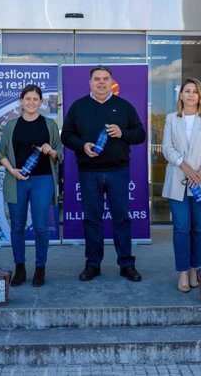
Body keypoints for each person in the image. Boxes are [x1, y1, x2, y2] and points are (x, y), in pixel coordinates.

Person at [61, 66, 146, 282]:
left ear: (111, 82)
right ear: (90, 83)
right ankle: (92, 265)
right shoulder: (78, 107)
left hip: (118, 171)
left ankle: (126, 265)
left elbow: (140, 135)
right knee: (91, 220)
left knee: (121, 219)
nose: (101, 83)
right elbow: (66, 136)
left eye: (105, 79)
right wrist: (82, 145)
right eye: (96, 79)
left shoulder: (124, 106)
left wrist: (123, 133)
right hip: (89, 173)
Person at [0, 84, 62, 287]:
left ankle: (40, 268)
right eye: (28, 99)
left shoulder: (50, 125)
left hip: (43, 180)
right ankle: (20, 268)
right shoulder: (11, 126)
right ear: (21, 101)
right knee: (17, 225)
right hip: (17, 179)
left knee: (41, 225)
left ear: (41, 102)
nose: (32, 102)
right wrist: (12, 170)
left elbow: (59, 152)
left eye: (35, 99)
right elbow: (2, 154)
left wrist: (51, 151)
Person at [161, 77, 201, 293]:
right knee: (181, 228)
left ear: (200, 96)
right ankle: (183, 272)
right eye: (187, 91)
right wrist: (184, 166)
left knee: (197, 229)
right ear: (181, 95)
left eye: (195, 92)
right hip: (178, 180)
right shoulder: (171, 119)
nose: (190, 95)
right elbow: (167, 148)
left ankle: (195, 268)